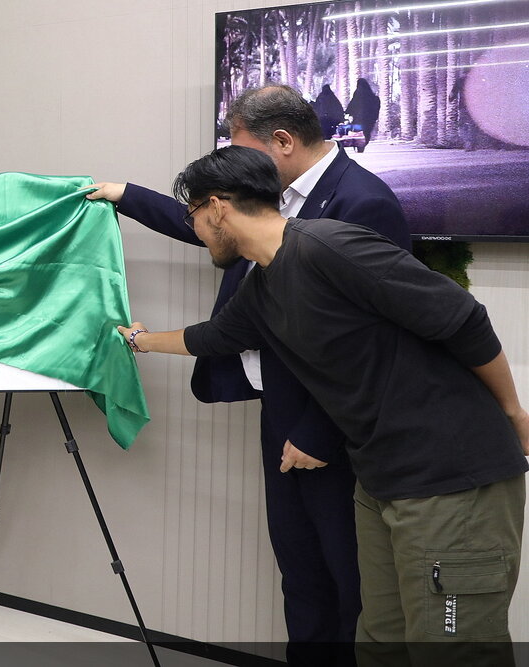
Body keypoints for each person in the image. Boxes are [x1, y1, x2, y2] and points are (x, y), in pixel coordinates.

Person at [117, 145, 529, 667]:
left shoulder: (329, 246)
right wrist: (140, 340)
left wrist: (514, 413)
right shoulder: (263, 282)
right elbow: (214, 337)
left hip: (451, 476)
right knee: (380, 640)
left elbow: (463, 318)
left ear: (217, 208)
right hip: (380, 481)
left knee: (452, 649)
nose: (194, 229)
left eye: (193, 216)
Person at [88, 84, 410, 661]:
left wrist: (317, 434)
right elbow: (209, 227)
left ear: (281, 142)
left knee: (350, 578)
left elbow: (380, 341)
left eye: (240, 150)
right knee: (299, 568)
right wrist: (122, 195)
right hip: (280, 405)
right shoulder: (269, 197)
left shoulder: (363, 202)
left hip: (334, 425)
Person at [345, 78, 381, 148]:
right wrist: (374, 117)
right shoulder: (372, 97)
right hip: (369, 119)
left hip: (358, 119)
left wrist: (348, 113)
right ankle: (363, 144)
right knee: (366, 132)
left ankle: (359, 145)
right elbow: (376, 107)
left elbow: (352, 105)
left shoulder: (357, 94)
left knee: (358, 132)